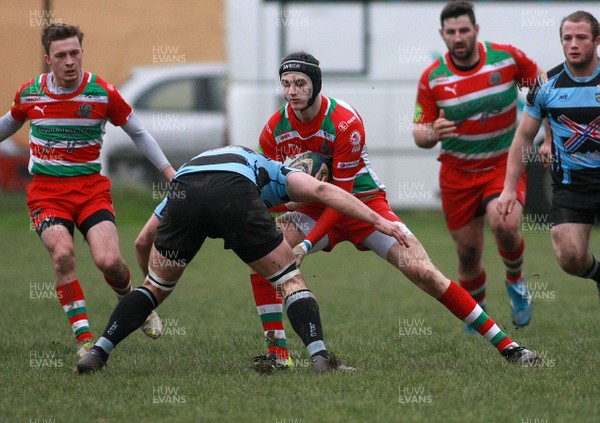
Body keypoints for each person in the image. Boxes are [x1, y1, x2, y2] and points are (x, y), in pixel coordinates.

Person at [245, 50, 539, 371]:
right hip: (312, 208)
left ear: (315, 84)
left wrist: (305, 243)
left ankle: (509, 347)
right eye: (286, 83)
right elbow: (265, 191)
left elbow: (341, 197)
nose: (292, 91)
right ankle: (278, 356)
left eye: (300, 83)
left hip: (363, 204)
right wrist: (287, 207)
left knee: (425, 273)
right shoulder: (275, 128)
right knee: (265, 257)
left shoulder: (344, 121)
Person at [76, 145, 410, 374]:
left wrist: (149, 291)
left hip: (184, 191)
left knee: (154, 286)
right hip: (233, 191)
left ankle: (98, 351)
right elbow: (324, 193)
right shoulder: (277, 171)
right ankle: (320, 357)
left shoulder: (204, 164)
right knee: (290, 279)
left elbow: (142, 239)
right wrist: (379, 220)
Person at [0, 23, 175, 357]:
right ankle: (84, 340)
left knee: (109, 261)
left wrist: (168, 170)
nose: (70, 61)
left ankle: (135, 305)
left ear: (82, 52)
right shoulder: (30, 93)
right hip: (47, 192)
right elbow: (10, 122)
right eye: (61, 55)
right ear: (47, 58)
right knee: (63, 255)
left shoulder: (101, 92)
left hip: (91, 190)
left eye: (75, 53)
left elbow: (138, 133)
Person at [412, 1, 548, 329]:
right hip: (457, 173)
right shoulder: (433, 78)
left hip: (502, 164)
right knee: (468, 254)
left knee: (505, 223)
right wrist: (433, 132)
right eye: (451, 32)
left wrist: (550, 132)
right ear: (442, 35)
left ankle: (515, 281)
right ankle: (478, 313)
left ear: (476, 30)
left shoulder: (506, 58)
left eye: (464, 30)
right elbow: (419, 131)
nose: (458, 37)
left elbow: (542, 84)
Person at [498, 11, 600, 298]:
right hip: (571, 184)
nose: (573, 44)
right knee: (570, 257)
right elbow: (523, 137)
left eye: (581, 37)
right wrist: (508, 189)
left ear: (596, 41)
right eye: (567, 38)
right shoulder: (545, 85)